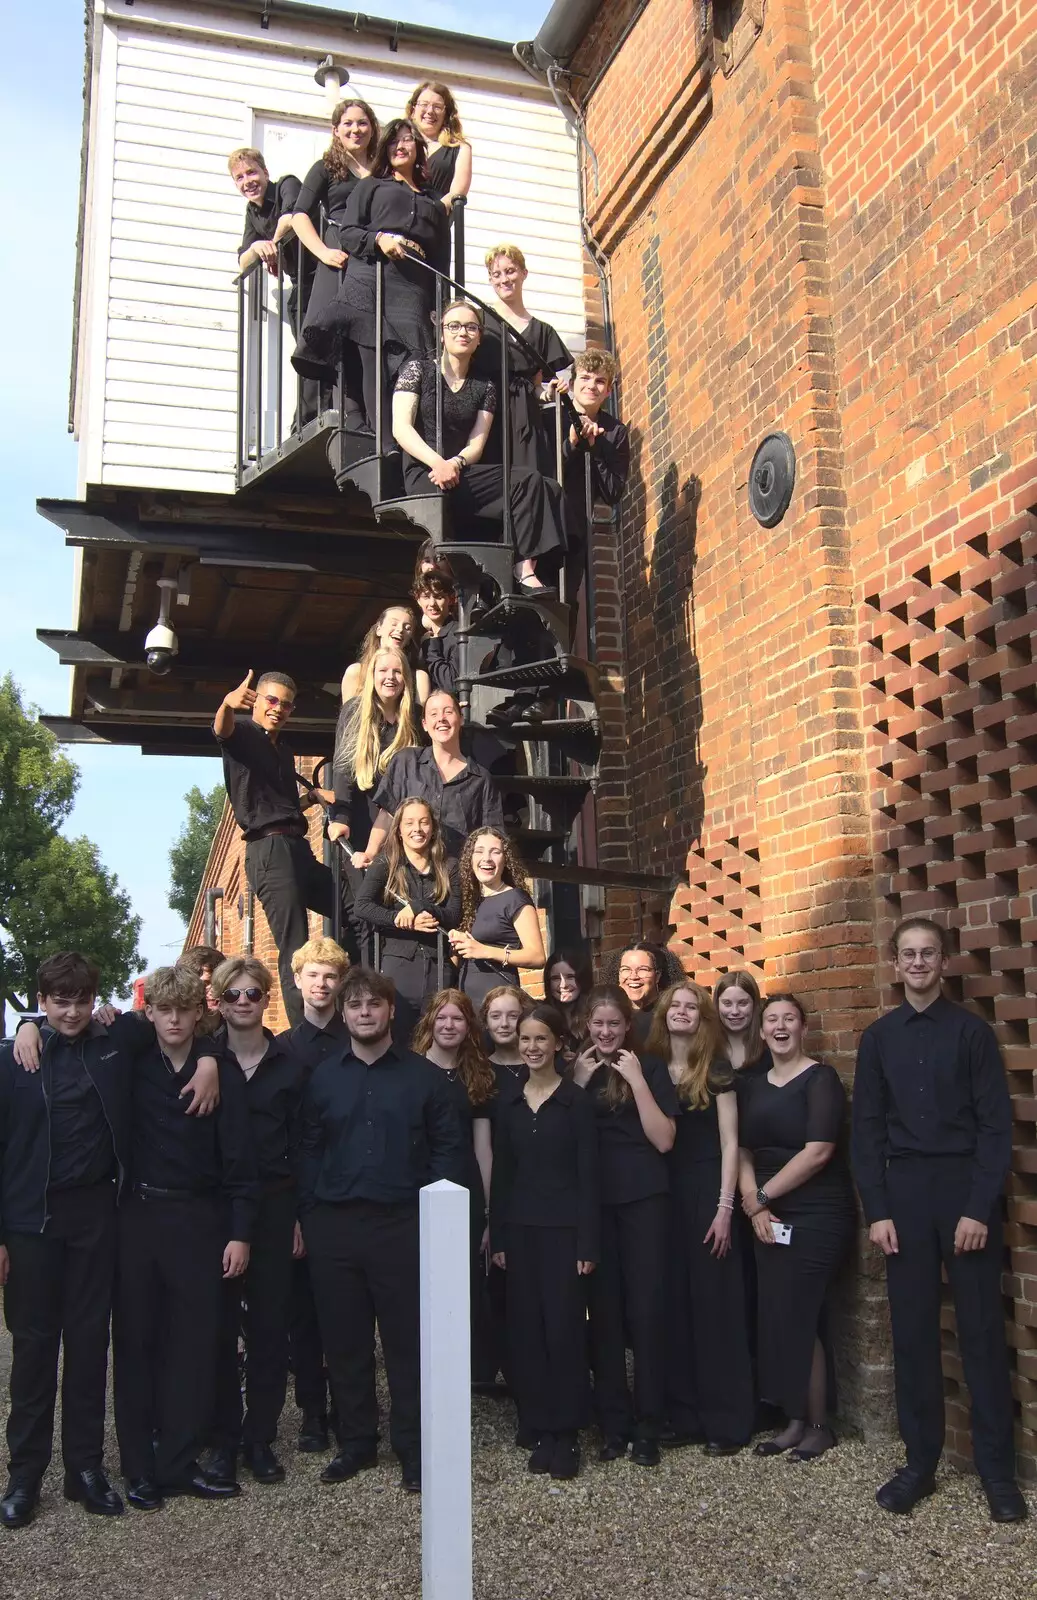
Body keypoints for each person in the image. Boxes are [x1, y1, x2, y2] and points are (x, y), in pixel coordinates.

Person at [0, 955, 220, 1530]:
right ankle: (24, 1475)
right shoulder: (13, 1060)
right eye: (57, 1001)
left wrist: (212, 1061)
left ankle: (85, 1470)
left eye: (80, 1000)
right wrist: (25, 1025)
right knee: (33, 1349)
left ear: (93, 999)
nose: (71, 1012)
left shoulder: (117, 1043)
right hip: (31, 1221)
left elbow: (193, 1029)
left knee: (90, 1346)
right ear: (43, 1001)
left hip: (97, 1216)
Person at [851, 918, 1025, 1523]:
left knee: (980, 1332)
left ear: (943, 963)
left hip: (963, 1190)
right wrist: (878, 1211)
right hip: (904, 1195)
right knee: (914, 1335)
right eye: (908, 955)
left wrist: (979, 1207)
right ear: (895, 965)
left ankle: (998, 1474)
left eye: (928, 954)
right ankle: (919, 1465)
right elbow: (866, 1132)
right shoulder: (878, 1039)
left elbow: (995, 1127)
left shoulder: (972, 1035)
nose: (919, 964)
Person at [297, 967, 463, 1492]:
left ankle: (414, 1450)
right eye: (355, 1005)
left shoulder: (425, 1078)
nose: (364, 1013)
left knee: (407, 1345)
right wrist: (311, 1214)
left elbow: (447, 1152)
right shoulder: (322, 1078)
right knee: (344, 1343)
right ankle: (357, 1444)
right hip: (336, 1226)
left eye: (374, 1004)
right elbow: (307, 1148)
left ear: (392, 1010)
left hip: (403, 1226)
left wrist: (432, 1218)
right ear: (343, 1014)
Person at [111, 967, 258, 1510]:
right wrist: (32, 1029)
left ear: (201, 1012)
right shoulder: (129, 1059)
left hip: (201, 1219)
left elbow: (242, 1161)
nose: (173, 1019)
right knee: (135, 1344)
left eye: (184, 1010)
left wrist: (240, 1233)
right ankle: (138, 1469)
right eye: (164, 1010)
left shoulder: (225, 1074)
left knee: (194, 1347)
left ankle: (177, 1461)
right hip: (139, 1218)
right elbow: (88, 1026)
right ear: (150, 1012)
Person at [738, 993, 855, 1463]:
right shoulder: (752, 1086)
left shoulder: (821, 1079)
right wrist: (754, 1206)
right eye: (772, 1020)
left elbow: (818, 1151)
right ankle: (793, 1420)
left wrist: (764, 1197)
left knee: (802, 1313)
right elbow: (743, 1150)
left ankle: (819, 1424)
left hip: (816, 1212)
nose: (781, 1026)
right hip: (766, 1214)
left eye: (790, 1019)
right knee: (779, 1315)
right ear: (761, 1031)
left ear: (804, 1027)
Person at [208, 957, 306, 1489]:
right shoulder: (204, 1059)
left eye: (252, 994)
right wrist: (32, 1025)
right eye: (233, 995)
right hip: (215, 1207)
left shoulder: (290, 1066)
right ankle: (222, 1438)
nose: (243, 1003)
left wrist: (299, 1218)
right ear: (219, 1002)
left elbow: (304, 1146)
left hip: (275, 1204)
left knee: (270, 1328)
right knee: (219, 1328)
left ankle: (260, 1437)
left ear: (266, 998)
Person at [490, 1004, 599, 1480]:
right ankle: (536, 1422)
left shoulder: (577, 1102)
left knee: (564, 1331)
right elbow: (505, 1175)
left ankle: (566, 1431)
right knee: (527, 1332)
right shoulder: (509, 1103)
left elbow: (589, 1177)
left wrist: (587, 1244)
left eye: (541, 1039)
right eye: (525, 1039)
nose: (532, 1047)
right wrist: (500, 1234)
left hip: (565, 1235)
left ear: (558, 1044)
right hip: (521, 1233)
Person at [392, 300, 568, 594]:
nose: (463, 332)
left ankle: (524, 569)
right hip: (425, 474)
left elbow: (477, 442)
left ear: (479, 336)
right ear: (443, 332)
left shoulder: (484, 386)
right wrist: (438, 463)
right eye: (455, 326)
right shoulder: (418, 369)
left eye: (471, 327)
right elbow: (401, 427)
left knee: (529, 482)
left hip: (460, 473)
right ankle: (478, 587)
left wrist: (456, 463)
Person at [646, 982, 754, 1454]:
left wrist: (726, 1207)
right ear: (664, 1014)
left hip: (708, 1187)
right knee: (674, 1304)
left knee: (715, 1304)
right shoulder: (649, 1067)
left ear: (702, 1017)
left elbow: (731, 1141)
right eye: (676, 1006)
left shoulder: (716, 1068)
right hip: (662, 1192)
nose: (683, 1013)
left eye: (692, 1007)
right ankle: (683, 1414)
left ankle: (727, 1422)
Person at [571, 985, 677, 1465]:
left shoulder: (649, 1066)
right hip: (595, 1201)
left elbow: (665, 1141)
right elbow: (562, 1139)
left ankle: (649, 1421)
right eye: (599, 1024)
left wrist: (637, 1081)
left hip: (644, 1199)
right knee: (605, 1314)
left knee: (649, 1309)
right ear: (587, 1025)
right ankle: (613, 1423)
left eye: (614, 1024)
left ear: (627, 1026)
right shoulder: (578, 1070)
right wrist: (574, 1083)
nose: (607, 1032)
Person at [295, 119, 450, 440]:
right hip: (371, 273)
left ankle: (404, 435)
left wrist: (442, 306)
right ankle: (379, 438)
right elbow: (349, 233)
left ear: (418, 149)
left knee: (410, 360)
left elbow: (441, 262)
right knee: (369, 350)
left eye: (407, 140)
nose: (400, 146)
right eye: (393, 142)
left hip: (413, 281)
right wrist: (378, 239)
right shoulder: (370, 187)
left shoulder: (433, 203)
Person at [213, 669, 335, 1028]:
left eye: (285, 704)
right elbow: (222, 731)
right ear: (257, 701)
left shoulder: (282, 750)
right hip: (269, 850)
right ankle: (304, 1033)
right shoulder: (245, 734)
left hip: (297, 847)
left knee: (349, 905)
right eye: (270, 700)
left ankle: (345, 1007)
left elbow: (279, 804)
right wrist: (226, 705)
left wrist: (311, 798)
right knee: (295, 943)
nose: (277, 708)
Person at [279, 937, 351, 1453]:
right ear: (298, 980)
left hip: (351, 1192)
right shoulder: (282, 1049)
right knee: (304, 1312)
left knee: (348, 1314)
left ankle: (352, 1409)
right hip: (303, 1193)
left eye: (330, 976)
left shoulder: (361, 1040)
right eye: (313, 975)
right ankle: (311, 1413)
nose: (321, 984)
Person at [411, 990, 497, 1385]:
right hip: (417, 1190)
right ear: (429, 1022)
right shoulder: (409, 1071)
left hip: (464, 1188)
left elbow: (483, 1148)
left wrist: (486, 1209)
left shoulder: (476, 1075)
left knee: (464, 1283)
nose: (449, 1025)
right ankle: (425, 1367)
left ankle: (463, 1370)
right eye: (441, 1018)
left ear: (468, 1027)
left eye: (457, 1019)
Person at [291, 99, 379, 420]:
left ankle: (367, 413)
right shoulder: (326, 168)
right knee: (333, 334)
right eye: (348, 124)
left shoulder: (382, 170)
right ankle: (326, 412)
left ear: (372, 127)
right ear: (336, 130)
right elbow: (300, 215)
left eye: (362, 123)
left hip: (372, 258)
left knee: (368, 339)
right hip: (340, 255)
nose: (356, 129)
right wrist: (322, 251)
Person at [354, 798, 460, 1041]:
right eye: (409, 823)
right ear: (399, 830)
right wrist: (400, 920)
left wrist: (419, 907)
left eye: (424, 822)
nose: (417, 829)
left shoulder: (449, 866)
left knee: (435, 1040)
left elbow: (454, 915)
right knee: (397, 1039)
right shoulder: (386, 863)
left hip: (438, 965)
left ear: (433, 827)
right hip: (398, 966)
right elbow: (362, 906)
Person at [361, 689, 503, 864]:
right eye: (433, 714)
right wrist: (369, 853)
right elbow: (387, 815)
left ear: (461, 719)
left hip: (456, 880)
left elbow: (491, 835)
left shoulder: (481, 779)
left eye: (448, 712)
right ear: (425, 724)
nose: (441, 718)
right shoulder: (406, 761)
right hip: (407, 876)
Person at [477, 244, 571, 474]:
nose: (504, 279)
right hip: (486, 412)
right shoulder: (478, 321)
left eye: (510, 271)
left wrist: (549, 393)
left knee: (529, 481)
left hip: (526, 419)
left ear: (523, 273)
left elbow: (537, 388)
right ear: (490, 279)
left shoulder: (543, 332)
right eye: (496, 274)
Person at [545, 345, 629, 603]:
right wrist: (571, 445)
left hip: (576, 528)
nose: (592, 386)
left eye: (600, 381)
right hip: (544, 520)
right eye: (585, 377)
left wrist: (595, 448)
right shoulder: (553, 415)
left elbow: (614, 491)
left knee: (566, 601)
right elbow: (542, 469)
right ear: (571, 383)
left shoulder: (615, 432)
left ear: (609, 390)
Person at [330, 645, 423, 862]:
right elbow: (343, 769)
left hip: (404, 823)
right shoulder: (354, 711)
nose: (390, 677)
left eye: (397, 671)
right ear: (372, 675)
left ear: (406, 678)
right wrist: (341, 816)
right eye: (383, 671)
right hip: (362, 815)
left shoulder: (416, 717)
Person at [451, 826, 545, 1008]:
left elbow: (537, 956)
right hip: (466, 1003)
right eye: (479, 851)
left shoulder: (515, 898)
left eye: (495, 852)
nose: (486, 858)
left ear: (505, 860)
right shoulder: (467, 901)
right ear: (470, 859)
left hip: (501, 1003)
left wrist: (484, 950)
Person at [340, 602, 430, 705]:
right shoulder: (356, 672)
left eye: (407, 628)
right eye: (394, 624)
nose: (400, 629)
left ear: (409, 639)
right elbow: (348, 718)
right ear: (379, 630)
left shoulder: (419, 678)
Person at [404, 81, 472, 210]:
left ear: (446, 114)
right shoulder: (397, 144)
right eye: (424, 104)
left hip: (433, 221)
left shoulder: (461, 149)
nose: (430, 111)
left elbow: (456, 195)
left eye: (437, 107)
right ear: (413, 110)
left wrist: (432, 213)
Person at [714, 971, 771, 1075]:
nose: (735, 1011)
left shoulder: (770, 1049)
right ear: (717, 1005)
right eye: (727, 1003)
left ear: (754, 1004)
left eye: (743, 1003)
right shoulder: (705, 1050)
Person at [544, 946, 594, 1058]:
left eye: (570, 977)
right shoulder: (541, 1014)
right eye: (556, 978)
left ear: (582, 978)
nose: (563, 985)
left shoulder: (595, 1011)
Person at [415, 569, 459, 695]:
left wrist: (432, 644)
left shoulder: (458, 633)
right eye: (426, 597)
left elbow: (450, 685)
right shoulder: (418, 636)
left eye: (439, 597)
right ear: (418, 600)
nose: (432, 603)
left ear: (450, 599)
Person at [481, 986, 531, 1090]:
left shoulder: (542, 1065)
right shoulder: (480, 1071)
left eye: (513, 1016)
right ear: (486, 1022)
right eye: (495, 1016)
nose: (504, 1024)